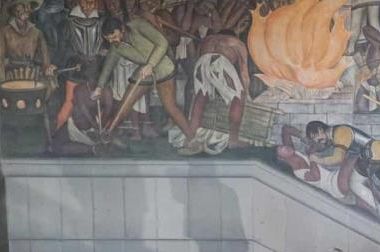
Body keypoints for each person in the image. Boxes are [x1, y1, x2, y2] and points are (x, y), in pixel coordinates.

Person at [304, 120, 380, 237]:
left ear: (321, 130)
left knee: (354, 183)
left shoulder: (340, 132)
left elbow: (338, 158)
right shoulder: (338, 132)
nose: (319, 142)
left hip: (372, 156)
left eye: (318, 138)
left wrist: (317, 159)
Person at [92, 17, 198, 149]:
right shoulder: (115, 46)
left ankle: (192, 140)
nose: (114, 42)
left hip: (163, 68)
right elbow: (108, 66)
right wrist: (99, 87)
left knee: (170, 107)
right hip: (144, 73)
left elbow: (162, 43)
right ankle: (107, 136)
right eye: (109, 40)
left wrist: (150, 65)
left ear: (122, 29)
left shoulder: (138, 25)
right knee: (126, 102)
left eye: (114, 37)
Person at [189, 30, 250, 149]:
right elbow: (244, 73)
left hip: (201, 63)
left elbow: (198, 61)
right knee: (239, 96)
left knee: (200, 96)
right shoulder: (237, 43)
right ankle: (233, 140)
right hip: (220, 62)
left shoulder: (207, 40)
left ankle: (191, 136)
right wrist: (246, 94)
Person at [55, 0, 103, 130]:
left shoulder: (102, 21)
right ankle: (56, 131)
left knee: (94, 102)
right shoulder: (67, 23)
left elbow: (106, 44)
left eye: (92, 2)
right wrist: (79, 58)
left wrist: (101, 53)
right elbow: (62, 49)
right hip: (76, 69)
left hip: (95, 70)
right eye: (85, 2)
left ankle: (95, 132)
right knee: (70, 102)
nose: (88, 6)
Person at [0, 0, 56, 81]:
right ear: (14, 10)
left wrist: (48, 69)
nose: (25, 9)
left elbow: (45, 60)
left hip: (33, 77)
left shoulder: (37, 33)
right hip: (11, 77)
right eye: (21, 6)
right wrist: (3, 82)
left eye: (27, 6)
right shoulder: (3, 32)